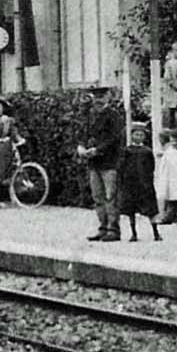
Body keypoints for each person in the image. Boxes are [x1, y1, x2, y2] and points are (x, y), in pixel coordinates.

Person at [77, 86, 124, 241]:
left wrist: (98, 149)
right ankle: (103, 227)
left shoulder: (114, 115)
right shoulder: (90, 115)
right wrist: (81, 146)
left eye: (101, 96)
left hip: (109, 161)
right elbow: (84, 133)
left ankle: (113, 229)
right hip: (94, 162)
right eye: (96, 97)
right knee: (98, 197)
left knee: (111, 197)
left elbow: (115, 138)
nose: (98, 100)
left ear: (108, 97)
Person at [118, 124, 162, 242]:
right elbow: (121, 167)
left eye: (141, 135)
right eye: (136, 134)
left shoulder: (147, 151)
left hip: (145, 184)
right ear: (132, 136)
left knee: (151, 209)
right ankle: (134, 233)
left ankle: (156, 232)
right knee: (130, 209)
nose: (139, 137)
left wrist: (148, 180)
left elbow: (151, 167)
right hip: (130, 184)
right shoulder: (127, 150)